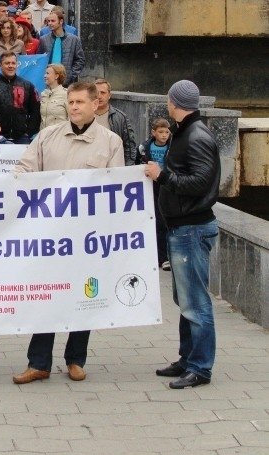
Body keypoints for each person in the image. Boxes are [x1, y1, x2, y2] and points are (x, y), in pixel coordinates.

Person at [12, 82, 125, 385]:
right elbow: (24, 170)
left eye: (79, 102)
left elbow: (115, 190)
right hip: (50, 235)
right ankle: (38, 363)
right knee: (45, 295)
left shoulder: (111, 142)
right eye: (71, 102)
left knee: (85, 294)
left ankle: (76, 359)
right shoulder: (47, 136)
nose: (73, 107)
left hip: (88, 238)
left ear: (95, 105)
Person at [144, 80, 221, 389]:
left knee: (196, 301)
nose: (167, 103)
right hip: (183, 227)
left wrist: (163, 176)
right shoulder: (186, 131)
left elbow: (201, 182)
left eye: (169, 99)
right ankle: (188, 359)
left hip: (192, 227)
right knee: (186, 298)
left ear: (174, 102)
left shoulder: (196, 135)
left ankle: (200, 367)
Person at [0, 52, 40, 144]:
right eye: (7, 63)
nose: (10, 66)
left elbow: (35, 111)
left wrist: (28, 132)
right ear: (0, 65)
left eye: (13, 63)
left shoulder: (28, 86)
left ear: (17, 65)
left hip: (22, 138)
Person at [136, 116, 172, 269]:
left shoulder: (173, 147)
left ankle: (164, 257)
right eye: (161, 132)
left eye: (167, 132)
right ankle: (156, 256)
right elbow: (136, 163)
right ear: (153, 132)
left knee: (164, 222)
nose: (164, 135)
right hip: (150, 186)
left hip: (167, 185)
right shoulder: (144, 148)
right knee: (154, 221)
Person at [94, 79, 137, 164]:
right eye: (96, 93)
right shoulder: (84, 116)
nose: (99, 96)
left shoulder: (120, 117)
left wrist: (127, 167)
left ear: (109, 95)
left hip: (113, 164)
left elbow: (129, 146)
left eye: (103, 93)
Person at [38, 7, 85, 84]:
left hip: (67, 82)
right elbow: (40, 59)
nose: (50, 23)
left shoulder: (74, 39)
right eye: (48, 21)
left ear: (61, 21)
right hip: (48, 81)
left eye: (53, 21)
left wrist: (70, 75)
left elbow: (80, 60)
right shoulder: (43, 39)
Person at [39, 63, 69, 128]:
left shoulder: (66, 94)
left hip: (60, 133)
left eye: (47, 73)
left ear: (56, 76)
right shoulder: (43, 94)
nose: (44, 76)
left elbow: (72, 118)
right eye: (45, 73)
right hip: (44, 133)